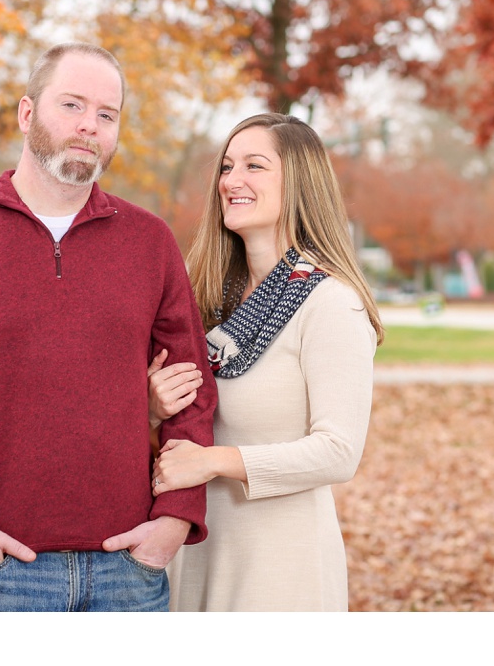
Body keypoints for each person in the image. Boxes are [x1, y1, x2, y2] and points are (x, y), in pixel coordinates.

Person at [0, 42, 216, 612]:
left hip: (126, 574)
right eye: (72, 105)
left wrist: (175, 520)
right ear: (27, 113)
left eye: (107, 115)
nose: (89, 126)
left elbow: (192, 397)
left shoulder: (149, 242)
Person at [147, 112, 383, 611]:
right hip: (192, 553)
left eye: (255, 166)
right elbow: (174, 439)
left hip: (280, 567)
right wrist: (151, 408)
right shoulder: (205, 303)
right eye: (227, 167)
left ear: (299, 182)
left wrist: (213, 462)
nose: (232, 180)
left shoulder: (330, 304)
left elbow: (339, 451)